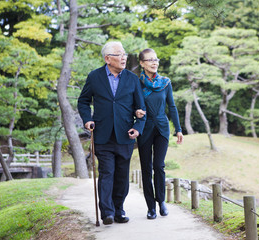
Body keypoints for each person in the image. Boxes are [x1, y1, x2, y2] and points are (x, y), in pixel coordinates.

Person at [78, 41, 146, 225]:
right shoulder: (94, 77)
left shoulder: (132, 79)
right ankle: (107, 212)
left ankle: (119, 210)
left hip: (125, 135)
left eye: (124, 54)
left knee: (122, 176)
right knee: (107, 172)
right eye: (119, 54)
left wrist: (138, 127)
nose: (124, 57)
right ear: (108, 59)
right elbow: (83, 101)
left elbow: (141, 109)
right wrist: (87, 120)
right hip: (102, 134)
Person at [136, 48, 183, 220]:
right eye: (149, 60)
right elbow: (132, 104)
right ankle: (151, 207)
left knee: (159, 166)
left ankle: (161, 201)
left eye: (156, 59)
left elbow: (172, 106)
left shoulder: (165, 82)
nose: (154, 62)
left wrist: (178, 129)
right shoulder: (137, 83)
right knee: (146, 168)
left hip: (162, 128)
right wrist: (135, 113)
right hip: (144, 128)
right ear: (142, 63)